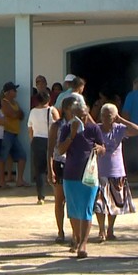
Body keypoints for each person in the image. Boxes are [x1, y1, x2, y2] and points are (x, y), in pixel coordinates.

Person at [56, 98, 106, 259]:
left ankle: (83, 243)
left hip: (89, 175)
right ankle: (76, 238)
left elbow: (103, 147)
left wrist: (99, 149)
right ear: (72, 114)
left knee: (86, 210)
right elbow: (61, 149)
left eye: (84, 115)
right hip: (71, 174)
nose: (82, 119)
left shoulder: (94, 129)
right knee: (74, 210)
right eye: (79, 116)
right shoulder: (66, 128)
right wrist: (72, 135)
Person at [94, 103, 138, 242]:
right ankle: (101, 229)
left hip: (116, 171)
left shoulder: (119, 129)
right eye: (103, 115)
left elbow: (137, 130)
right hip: (99, 171)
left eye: (109, 116)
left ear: (114, 117)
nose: (105, 119)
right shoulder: (97, 129)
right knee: (99, 204)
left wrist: (121, 119)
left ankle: (110, 229)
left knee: (115, 203)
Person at [46, 97, 75, 243]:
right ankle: (60, 231)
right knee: (60, 199)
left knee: (73, 200)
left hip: (75, 164)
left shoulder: (80, 124)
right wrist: (50, 169)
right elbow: (51, 148)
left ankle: (75, 232)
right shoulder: (57, 126)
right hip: (60, 163)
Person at [28, 89, 60, 204]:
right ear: (49, 99)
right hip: (50, 140)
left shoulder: (32, 112)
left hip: (37, 140)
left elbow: (30, 129)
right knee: (54, 167)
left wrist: (32, 142)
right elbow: (59, 125)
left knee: (39, 170)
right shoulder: (52, 110)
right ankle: (58, 194)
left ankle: (40, 196)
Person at [0, 81, 28, 187]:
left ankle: (19, 179)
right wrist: (16, 114)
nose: (16, 92)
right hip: (6, 132)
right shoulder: (4, 102)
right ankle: (3, 180)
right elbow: (10, 114)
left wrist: (16, 114)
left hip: (14, 133)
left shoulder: (15, 103)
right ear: (8, 92)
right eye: (14, 90)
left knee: (21, 156)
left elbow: (20, 115)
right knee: (3, 156)